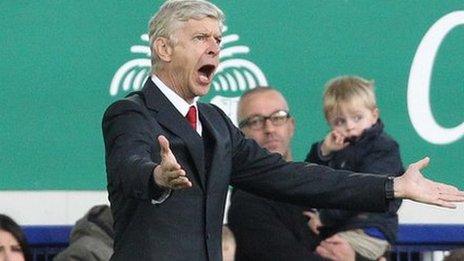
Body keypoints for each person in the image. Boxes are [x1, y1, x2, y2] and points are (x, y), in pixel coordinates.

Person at [101, 0, 464, 260]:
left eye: (218, 40)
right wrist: (157, 178)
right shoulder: (130, 114)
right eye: (200, 38)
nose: (214, 48)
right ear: (163, 48)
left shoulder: (215, 123)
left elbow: (293, 177)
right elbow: (130, 166)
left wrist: (392, 185)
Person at [305, 76, 403, 260]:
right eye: (340, 121)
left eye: (357, 117)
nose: (349, 126)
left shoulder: (383, 147)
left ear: (374, 115)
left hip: (369, 230)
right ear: (329, 122)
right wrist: (324, 152)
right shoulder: (334, 146)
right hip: (338, 228)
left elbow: (363, 193)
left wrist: (324, 218)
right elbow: (308, 179)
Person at [227, 87, 322, 260]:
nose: (269, 128)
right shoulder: (247, 203)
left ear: (291, 126)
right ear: (240, 135)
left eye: (278, 117)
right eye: (255, 121)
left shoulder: (316, 184)